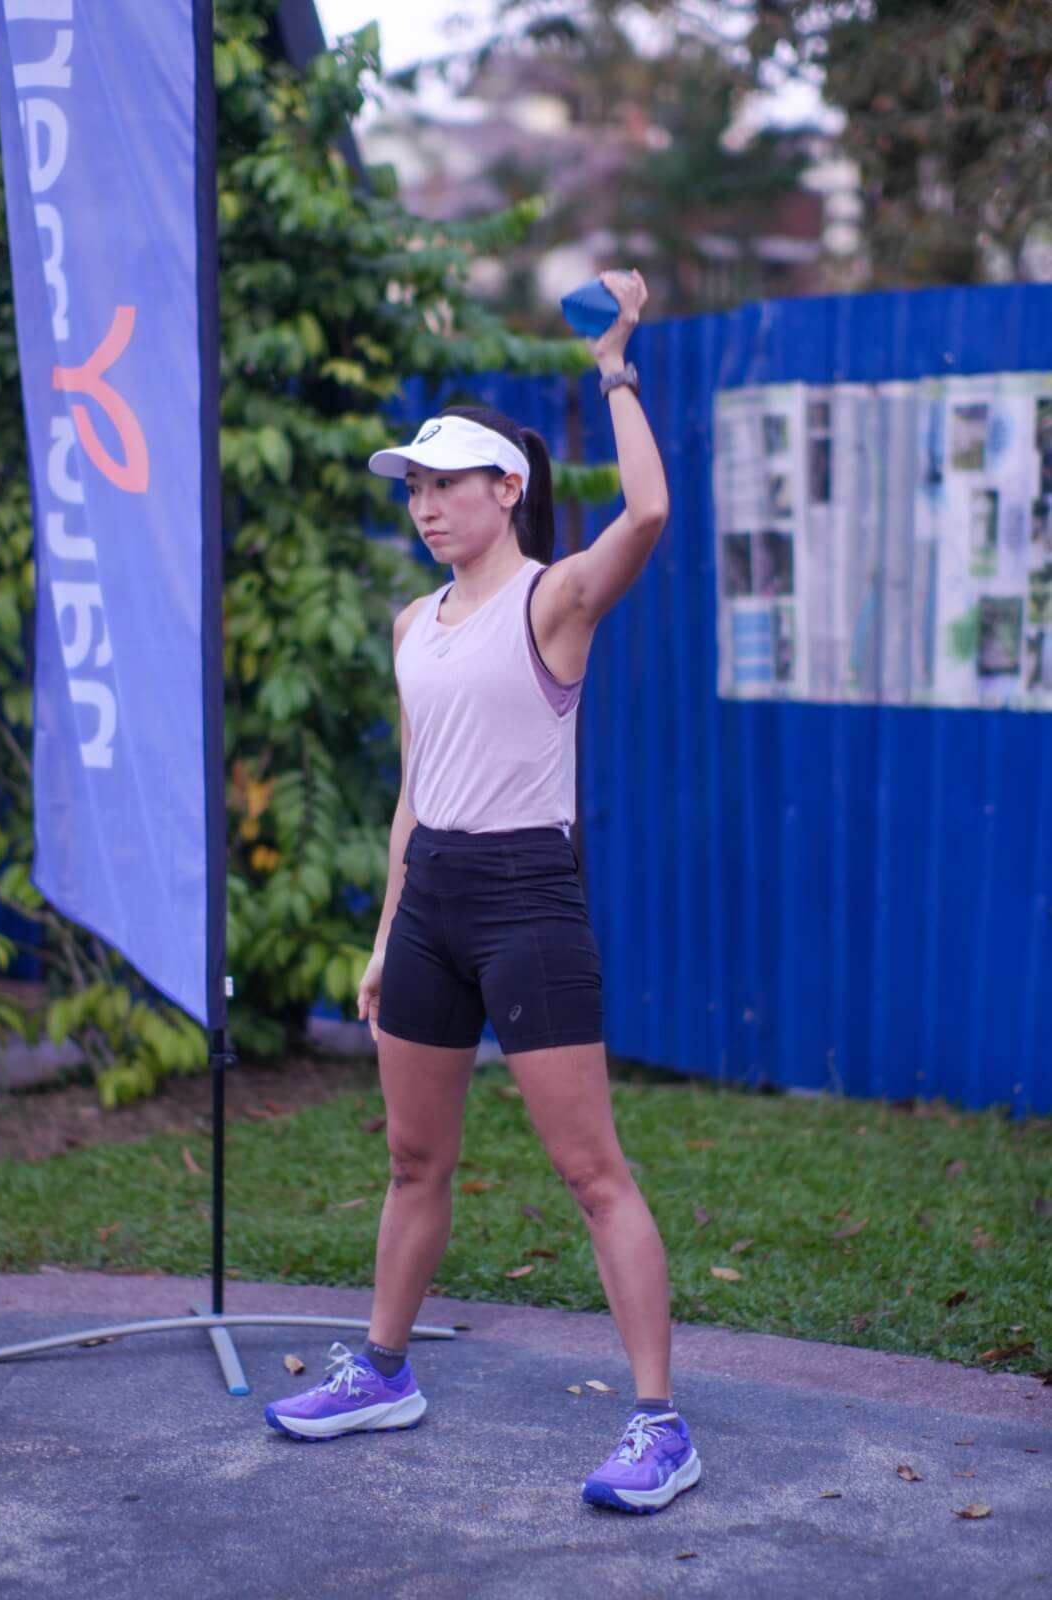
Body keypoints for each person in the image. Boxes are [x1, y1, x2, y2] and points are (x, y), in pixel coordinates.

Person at [264, 270, 701, 1515]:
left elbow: (651, 510)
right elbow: (415, 790)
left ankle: (661, 1424)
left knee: (591, 1170)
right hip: (434, 902)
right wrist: (385, 931)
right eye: (411, 487)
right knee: (413, 1158)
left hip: (526, 898)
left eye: (444, 483)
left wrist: (613, 364)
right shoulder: (415, 622)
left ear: (506, 488)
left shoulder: (553, 599)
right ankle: (383, 1370)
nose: (422, 505)